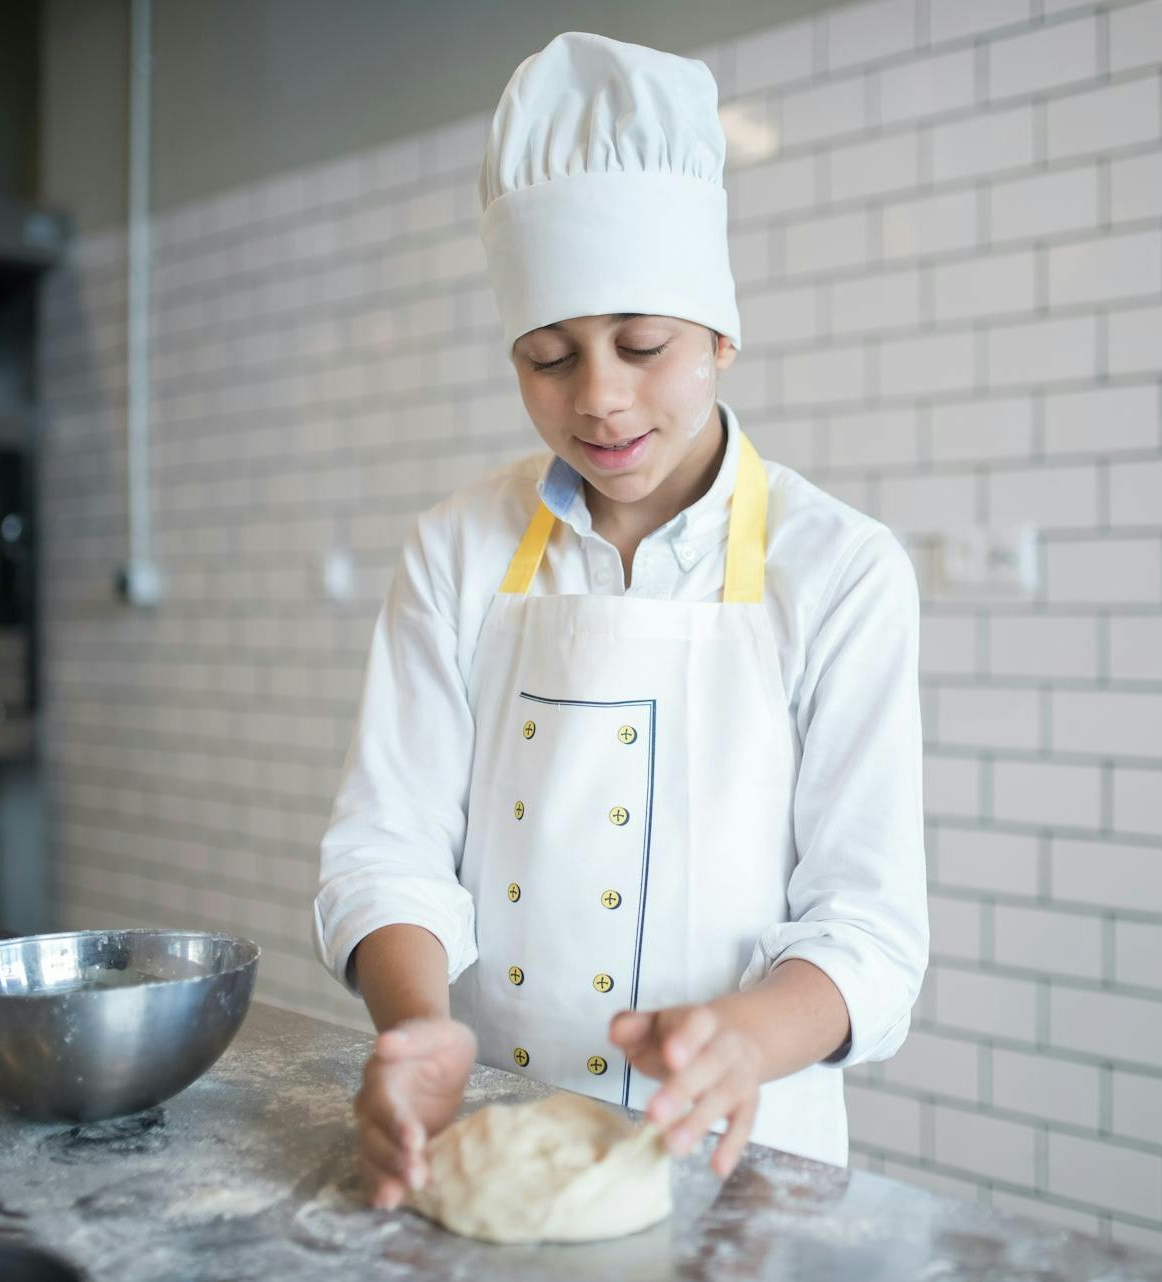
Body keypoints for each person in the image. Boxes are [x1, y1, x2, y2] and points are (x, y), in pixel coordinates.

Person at [314, 30, 929, 1210]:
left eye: (642, 345)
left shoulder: (839, 569)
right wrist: (419, 1028)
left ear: (721, 336)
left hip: (746, 1171)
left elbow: (869, 928)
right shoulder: (455, 549)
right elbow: (387, 846)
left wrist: (748, 1035)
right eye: (548, 358)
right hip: (487, 1137)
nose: (598, 397)